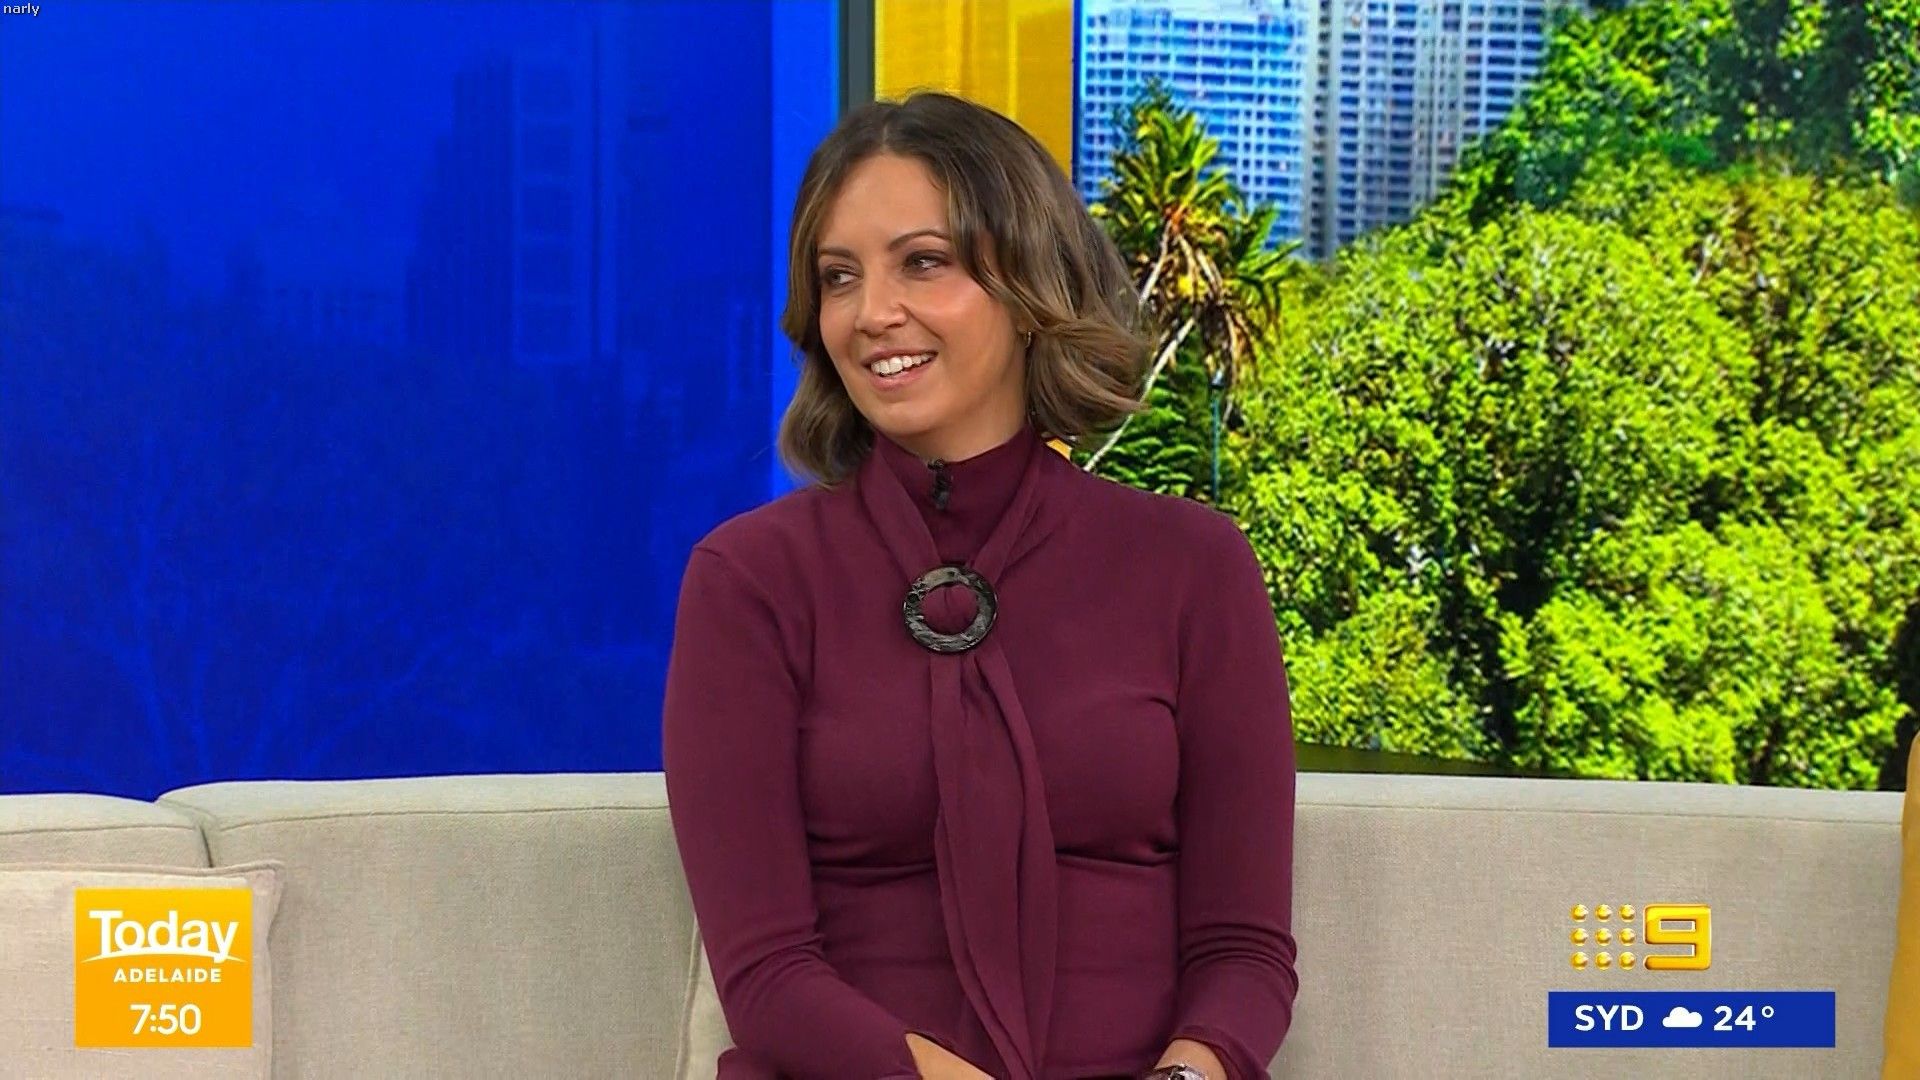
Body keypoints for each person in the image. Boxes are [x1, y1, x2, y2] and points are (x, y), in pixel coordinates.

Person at [662, 92, 1298, 1080]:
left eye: (923, 262)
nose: (872, 314)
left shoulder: (1192, 566)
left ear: (1030, 282)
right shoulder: (750, 582)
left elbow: (1243, 951)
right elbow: (768, 974)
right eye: (839, 277)